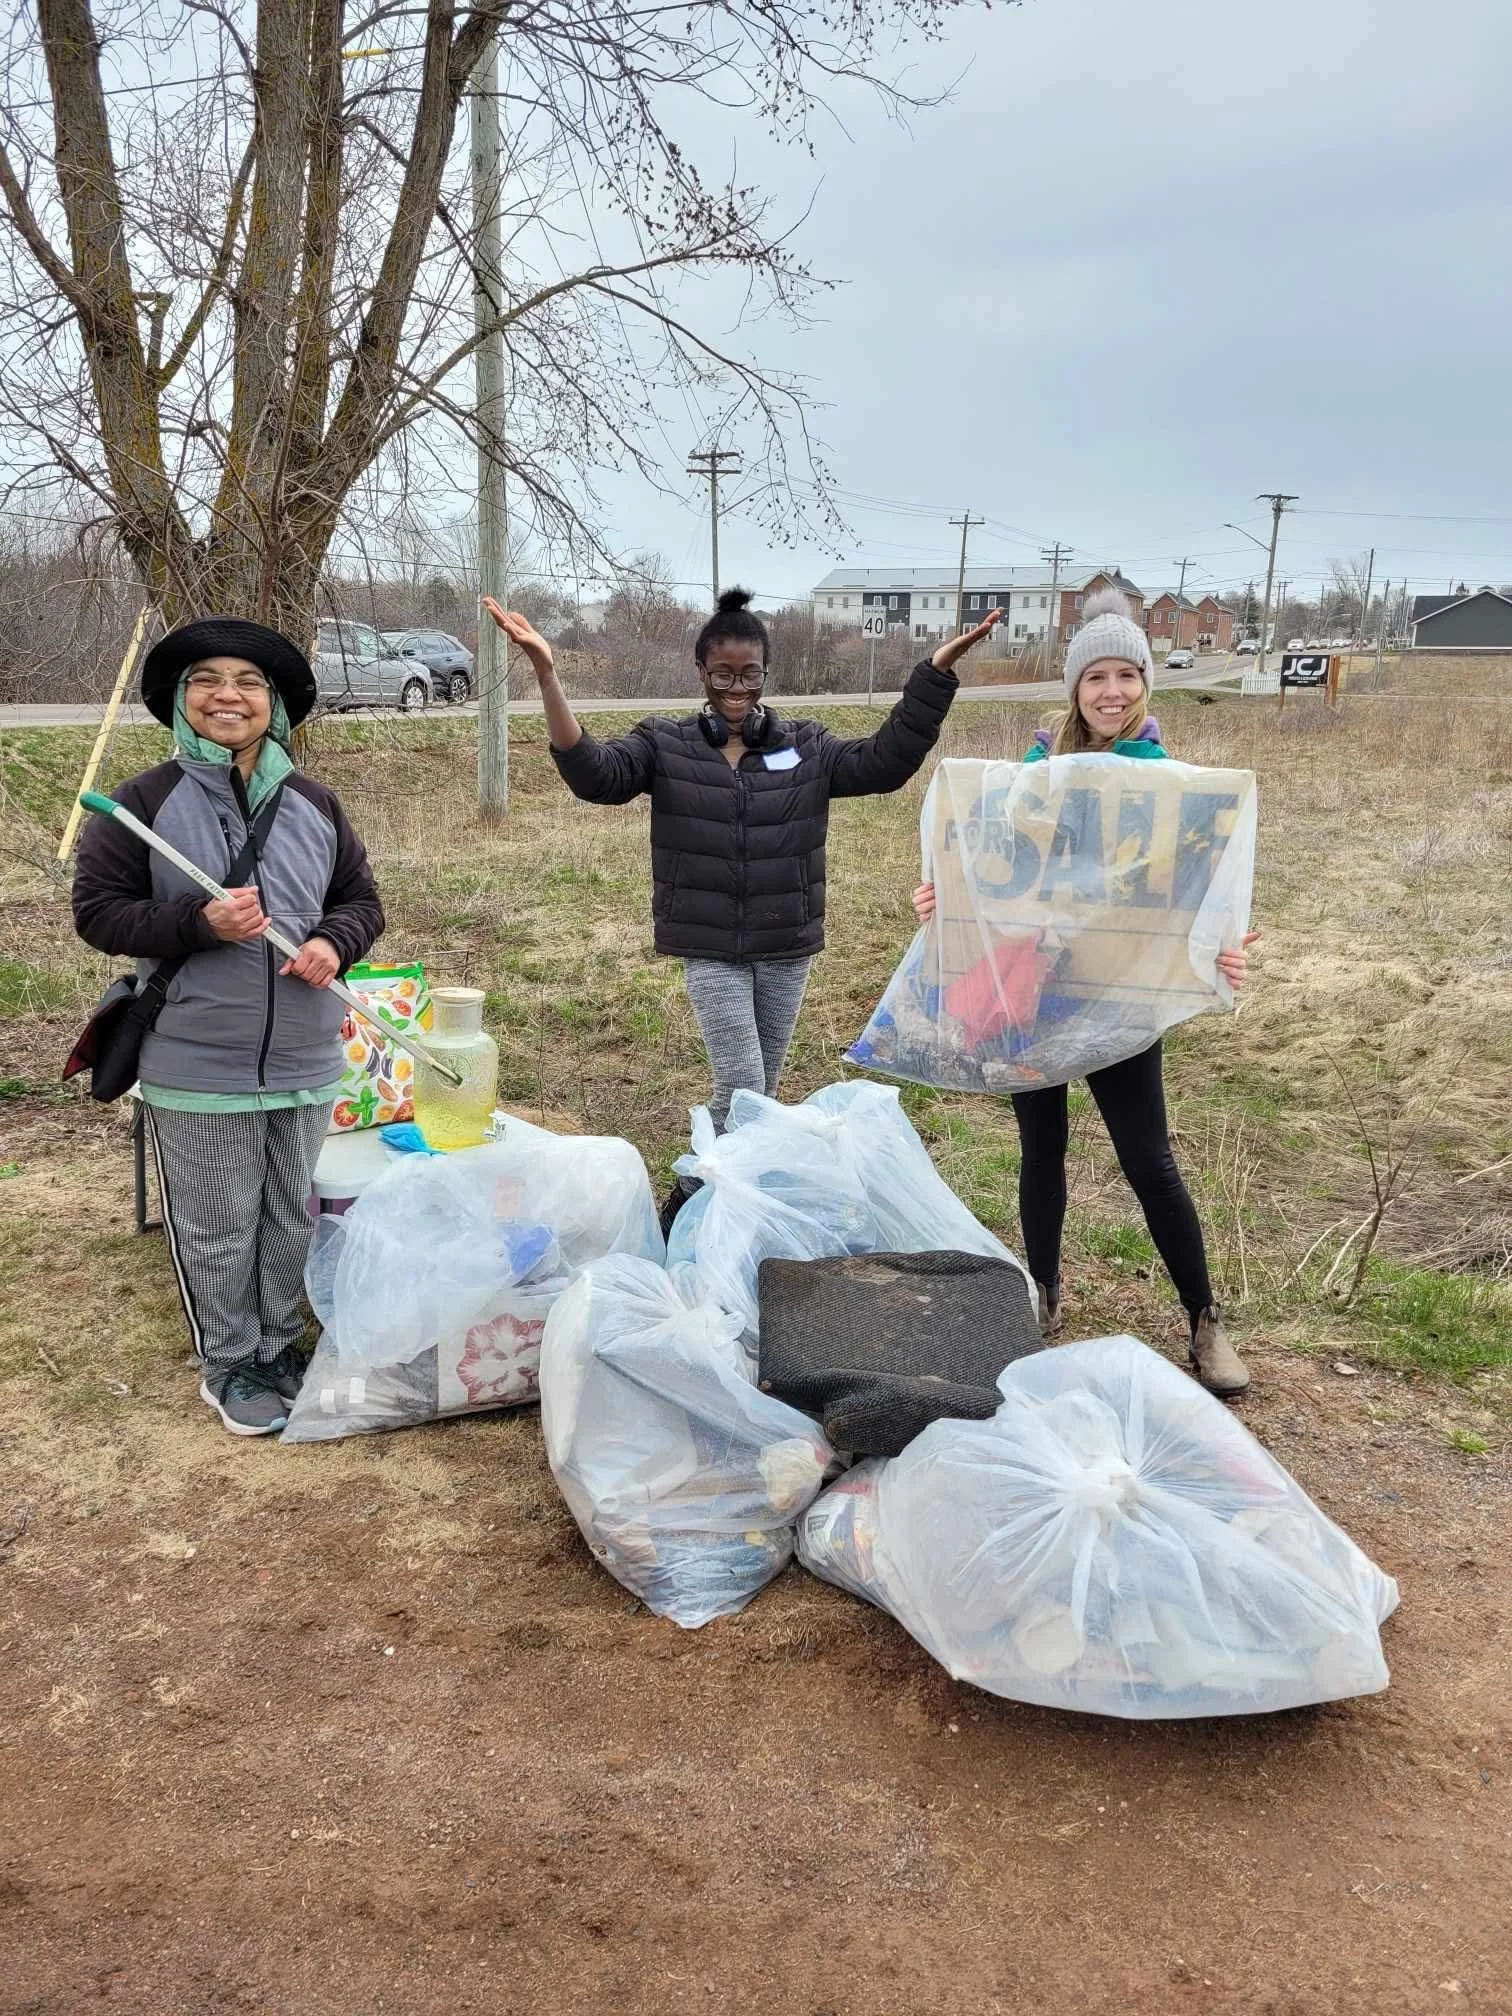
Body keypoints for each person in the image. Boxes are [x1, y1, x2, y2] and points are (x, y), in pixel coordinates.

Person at [484, 586, 1003, 1232]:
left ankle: (725, 1213)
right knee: (743, 1083)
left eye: (749, 674)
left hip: (787, 948)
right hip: (709, 949)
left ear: (765, 675)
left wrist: (936, 675)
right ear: (702, 673)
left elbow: (885, 762)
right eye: (723, 674)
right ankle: (683, 1201)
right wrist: (547, 675)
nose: (737, 687)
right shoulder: (664, 745)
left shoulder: (806, 747)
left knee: (756, 1101)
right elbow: (594, 775)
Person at [911, 587, 1259, 1398]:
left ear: (1145, 685)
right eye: (1095, 676)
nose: (1111, 692)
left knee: (1149, 1159)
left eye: (1125, 676)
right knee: (1043, 1151)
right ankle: (1044, 1292)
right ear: (1073, 689)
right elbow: (987, 868)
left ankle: (1205, 1320)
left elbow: (1198, 891)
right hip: (1037, 993)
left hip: (1121, 993)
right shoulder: (1033, 777)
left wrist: (1226, 946)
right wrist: (941, 898)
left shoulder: (1172, 787)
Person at [72, 618, 384, 1436]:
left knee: (289, 1212)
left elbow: (361, 903)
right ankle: (231, 1360)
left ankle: (281, 1344)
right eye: (206, 679)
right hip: (196, 1055)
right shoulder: (142, 802)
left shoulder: (316, 803)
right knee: (217, 1224)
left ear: (273, 704)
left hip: (306, 1052)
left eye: (248, 681)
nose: (227, 695)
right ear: (181, 701)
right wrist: (199, 921)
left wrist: (330, 941)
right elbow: (98, 914)